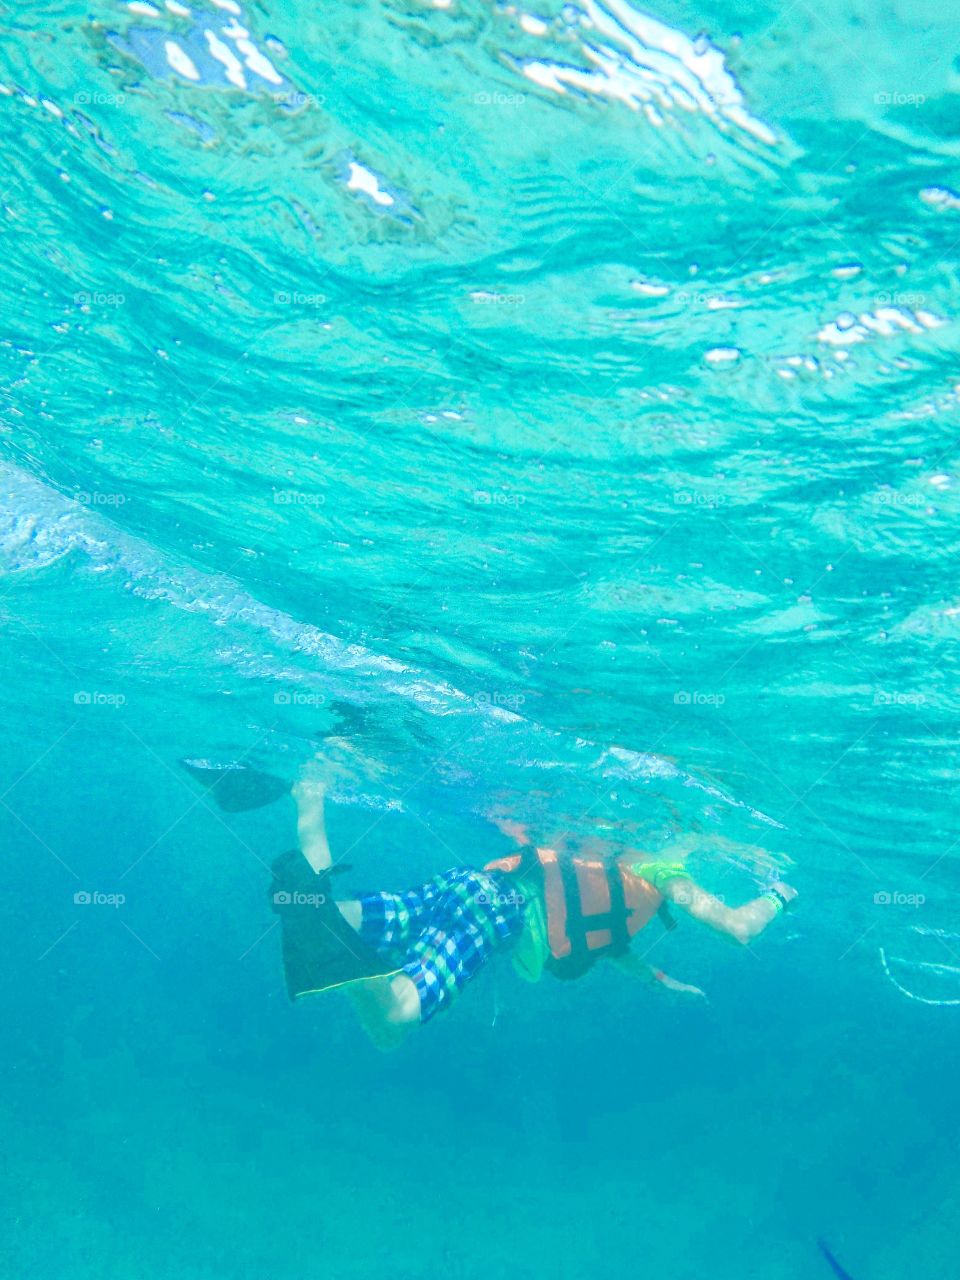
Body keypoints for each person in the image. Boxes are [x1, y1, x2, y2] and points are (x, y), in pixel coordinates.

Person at [266, 758, 798, 1047]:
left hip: (473, 884)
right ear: (688, 838)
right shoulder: (664, 872)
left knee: (329, 916)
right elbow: (736, 928)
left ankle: (310, 804)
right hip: (498, 913)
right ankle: (352, 966)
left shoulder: (611, 853)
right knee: (393, 1023)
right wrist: (779, 894)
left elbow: (606, 943)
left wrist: (661, 981)